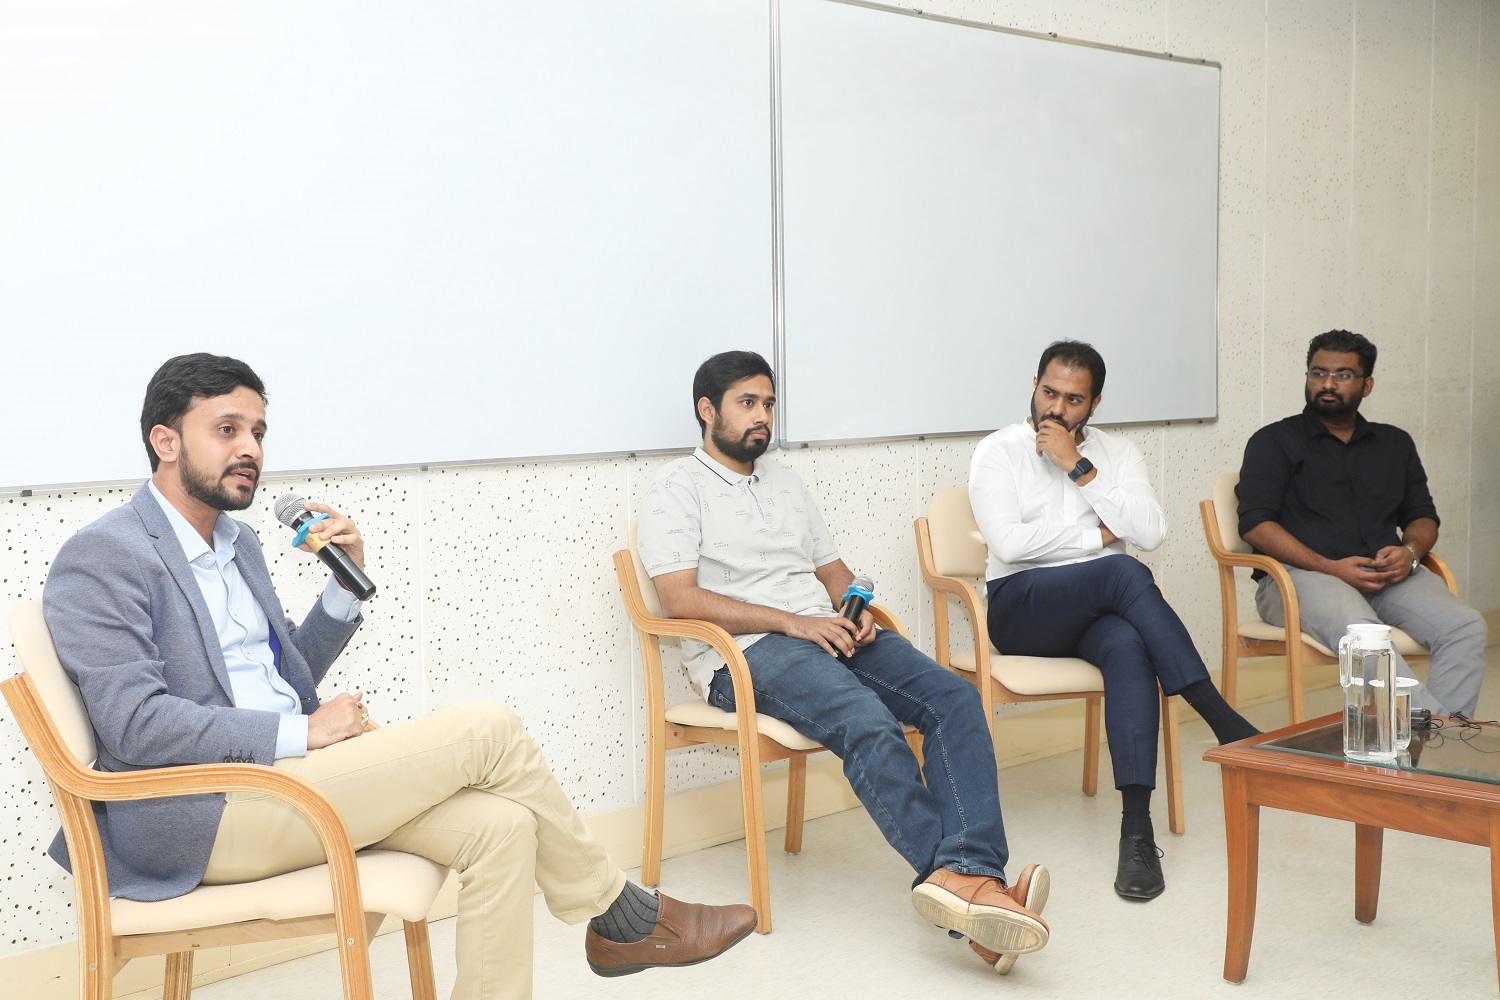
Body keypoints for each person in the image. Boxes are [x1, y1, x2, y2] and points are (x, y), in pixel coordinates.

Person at [40, 353, 756, 1000]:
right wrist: (303, 730)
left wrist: (342, 593)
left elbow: (284, 675)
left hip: (287, 781)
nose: (250, 450)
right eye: (226, 430)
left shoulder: (238, 542)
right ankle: (620, 914)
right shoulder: (106, 555)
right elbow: (136, 725)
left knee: (503, 827)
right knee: (487, 728)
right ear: (166, 442)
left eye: (257, 431)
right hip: (204, 814)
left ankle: (596, 933)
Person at [636, 350, 1049, 976]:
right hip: (748, 655)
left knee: (955, 697)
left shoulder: (785, 480)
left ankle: (972, 880)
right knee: (868, 722)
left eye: (768, 404)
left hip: (828, 632)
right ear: (706, 410)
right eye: (747, 403)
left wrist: (855, 606)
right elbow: (679, 598)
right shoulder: (675, 488)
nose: (762, 418)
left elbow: (832, 571)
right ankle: (974, 892)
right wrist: (792, 621)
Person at [968, 339, 1258, 901]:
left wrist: (1078, 469)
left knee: (1128, 645)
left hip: (1098, 611)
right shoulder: (997, 452)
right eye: (1048, 392)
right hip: (1020, 607)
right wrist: (1097, 536)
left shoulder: (1117, 454)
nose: (1056, 409)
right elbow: (1010, 544)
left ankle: (1136, 830)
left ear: (1094, 404)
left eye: (1073, 400)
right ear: (1033, 384)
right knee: (1122, 571)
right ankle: (1220, 717)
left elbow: (1150, 532)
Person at [1236, 329, 1487, 717]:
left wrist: (1411, 552)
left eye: (1343, 375)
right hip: (1299, 578)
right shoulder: (1273, 441)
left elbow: (1422, 516)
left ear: (1367, 385)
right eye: (1318, 373)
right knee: (1365, 636)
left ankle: (1434, 748)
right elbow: (1254, 523)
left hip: (1385, 576)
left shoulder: (1394, 443)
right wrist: (1328, 566)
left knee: (1466, 627)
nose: (1328, 384)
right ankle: (1435, 739)